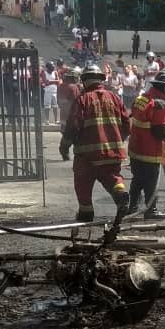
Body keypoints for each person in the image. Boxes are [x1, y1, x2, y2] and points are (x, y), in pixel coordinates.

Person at [59, 64, 130, 222]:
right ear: (101, 80)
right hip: (112, 153)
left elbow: (73, 126)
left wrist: (64, 147)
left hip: (87, 156)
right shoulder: (115, 98)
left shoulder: (83, 99)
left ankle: (86, 212)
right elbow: (127, 123)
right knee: (112, 177)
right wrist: (117, 139)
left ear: (84, 81)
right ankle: (121, 195)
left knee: (83, 181)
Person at [127, 70, 165, 219]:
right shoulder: (160, 104)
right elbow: (160, 132)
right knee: (151, 182)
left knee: (137, 179)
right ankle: (151, 210)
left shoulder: (141, 98)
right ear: (164, 87)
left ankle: (132, 208)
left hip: (135, 149)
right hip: (149, 151)